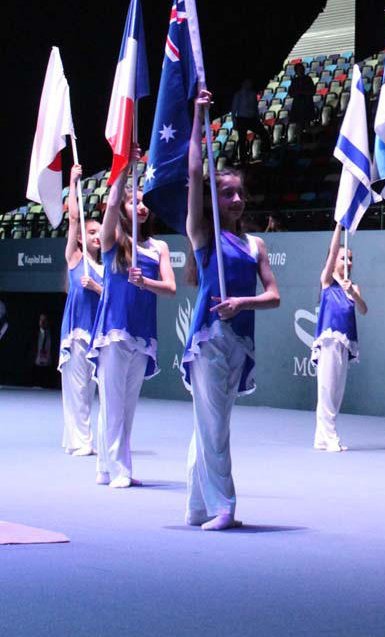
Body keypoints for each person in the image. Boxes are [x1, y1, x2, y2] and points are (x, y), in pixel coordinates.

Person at [181, 89, 280, 530]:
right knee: (214, 423)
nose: (236, 201)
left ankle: (196, 506)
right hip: (208, 337)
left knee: (211, 422)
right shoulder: (203, 235)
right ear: (214, 201)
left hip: (240, 339)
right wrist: (201, 115)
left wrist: (243, 301)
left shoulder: (255, 243)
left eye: (240, 194)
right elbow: (195, 172)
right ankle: (225, 506)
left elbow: (274, 296)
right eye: (227, 195)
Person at [88, 145, 176, 489]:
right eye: (132, 201)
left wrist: (146, 280)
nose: (139, 206)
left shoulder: (159, 248)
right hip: (113, 328)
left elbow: (169, 288)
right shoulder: (112, 241)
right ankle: (120, 468)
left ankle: (105, 467)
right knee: (112, 403)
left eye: (142, 201)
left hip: (143, 331)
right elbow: (109, 204)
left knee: (126, 405)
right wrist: (126, 165)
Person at [311, 223, 367, 452]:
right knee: (326, 389)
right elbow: (333, 250)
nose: (348, 262)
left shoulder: (353, 287)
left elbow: (363, 309)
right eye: (344, 258)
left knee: (336, 391)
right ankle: (330, 436)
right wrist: (338, 226)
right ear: (334, 260)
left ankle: (321, 438)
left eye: (350, 259)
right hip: (329, 341)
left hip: (345, 343)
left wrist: (353, 292)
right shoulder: (327, 280)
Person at [60, 165, 104, 456]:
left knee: (92, 390)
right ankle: (81, 441)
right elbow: (74, 217)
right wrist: (74, 182)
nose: (97, 236)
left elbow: (116, 298)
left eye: (100, 231)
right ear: (80, 239)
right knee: (77, 389)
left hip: (99, 334)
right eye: (91, 232)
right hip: (77, 333)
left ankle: (80, 437)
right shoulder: (75, 259)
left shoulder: (106, 269)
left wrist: (97, 288)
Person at [230, 78, 260, 165]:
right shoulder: (238, 95)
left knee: (263, 134)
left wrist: (257, 118)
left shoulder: (253, 94)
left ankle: (266, 152)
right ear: (243, 84)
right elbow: (234, 109)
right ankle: (243, 159)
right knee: (242, 140)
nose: (249, 84)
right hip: (241, 119)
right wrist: (234, 121)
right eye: (247, 83)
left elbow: (255, 107)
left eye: (250, 83)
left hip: (252, 118)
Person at [288, 62, 316, 134]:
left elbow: (312, 91)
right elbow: (291, 93)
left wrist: (303, 93)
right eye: (298, 70)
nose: (300, 71)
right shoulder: (294, 81)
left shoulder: (308, 79)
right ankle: (299, 142)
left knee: (307, 124)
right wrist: (297, 93)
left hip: (307, 104)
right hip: (297, 105)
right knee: (298, 125)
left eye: (301, 69)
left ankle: (308, 140)